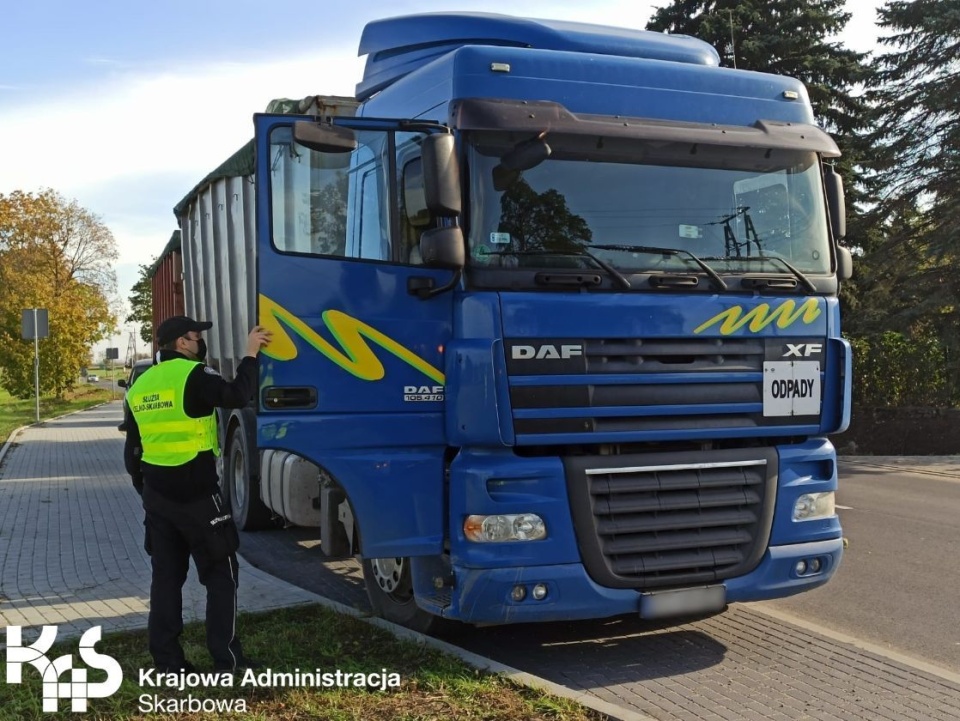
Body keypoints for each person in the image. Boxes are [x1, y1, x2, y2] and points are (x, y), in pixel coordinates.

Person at [124, 315, 271, 672]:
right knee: (222, 574)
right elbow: (237, 395)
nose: (199, 343)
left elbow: (132, 454)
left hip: (158, 499)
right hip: (199, 497)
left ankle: (168, 664)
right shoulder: (194, 375)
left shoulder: (139, 387)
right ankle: (228, 661)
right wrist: (250, 354)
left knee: (166, 580)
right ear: (181, 344)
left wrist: (148, 493)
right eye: (194, 337)